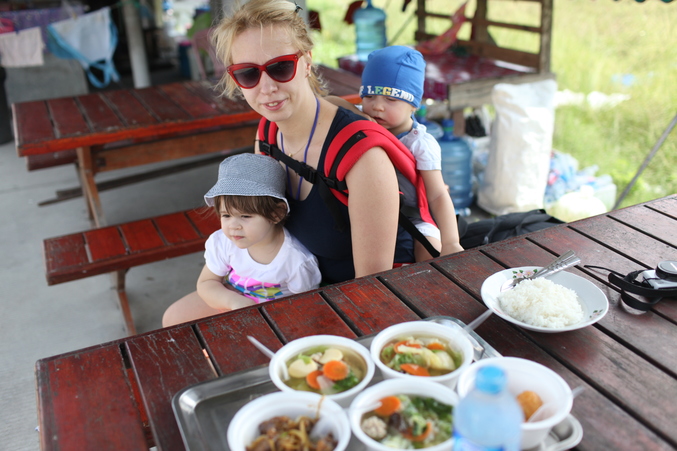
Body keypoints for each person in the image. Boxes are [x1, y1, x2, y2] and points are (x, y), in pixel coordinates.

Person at [211, 0, 418, 284]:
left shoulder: (362, 156)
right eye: (248, 73)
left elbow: (372, 286)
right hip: (296, 283)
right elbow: (262, 228)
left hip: (363, 291)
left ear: (307, 62)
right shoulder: (267, 134)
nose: (267, 87)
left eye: (281, 67)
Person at [331, 45, 464, 261]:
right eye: (369, 96)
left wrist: (451, 242)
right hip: (366, 210)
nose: (377, 106)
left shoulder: (420, 143)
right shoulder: (363, 123)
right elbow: (328, 103)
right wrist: (358, 114)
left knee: (431, 251)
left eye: (391, 99)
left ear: (414, 105)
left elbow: (438, 194)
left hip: (413, 217)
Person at [162, 153, 321, 327]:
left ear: (276, 213)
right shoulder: (224, 243)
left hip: (274, 319)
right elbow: (207, 283)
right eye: (226, 215)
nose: (233, 226)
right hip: (231, 301)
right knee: (172, 318)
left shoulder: (296, 261)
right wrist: (235, 302)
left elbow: (305, 307)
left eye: (245, 216)